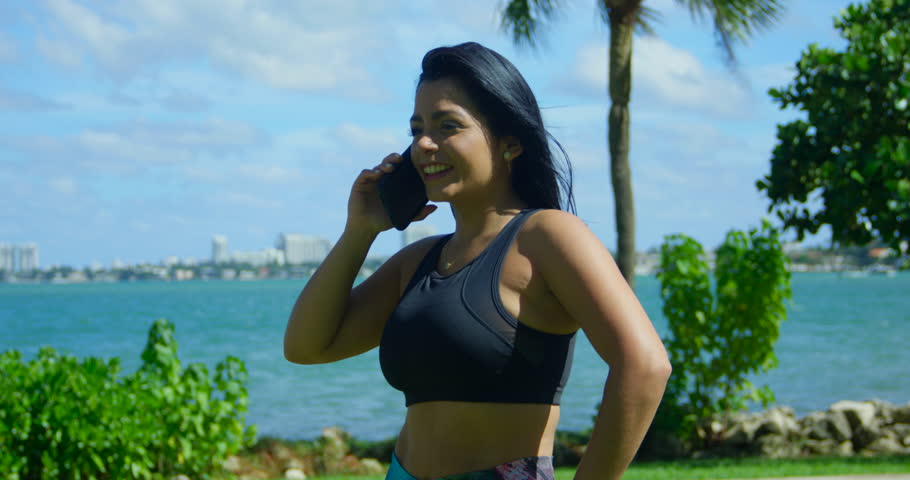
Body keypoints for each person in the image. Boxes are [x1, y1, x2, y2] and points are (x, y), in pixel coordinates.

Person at [284, 42, 671, 480]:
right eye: (416, 130)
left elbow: (645, 366)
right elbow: (306, 347)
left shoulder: (547, 237)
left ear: (509, 144)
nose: (425, 144)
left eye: (448, 125)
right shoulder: (417, 262)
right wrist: (360, 231)